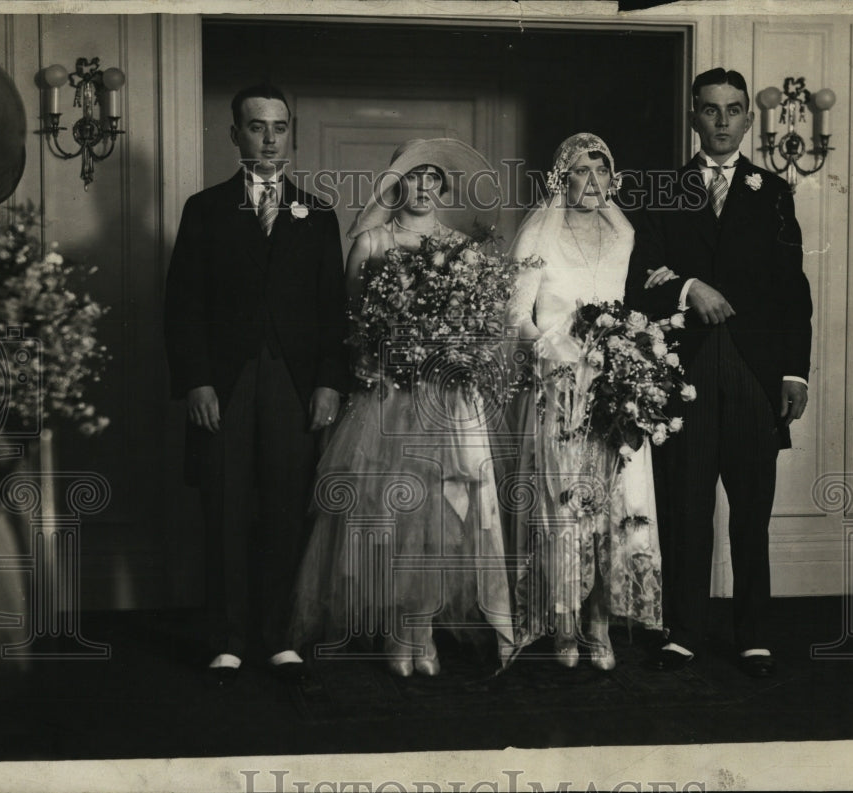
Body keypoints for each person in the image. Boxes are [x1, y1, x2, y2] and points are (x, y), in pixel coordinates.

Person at [289, 138, 515, 677]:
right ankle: (396, 633)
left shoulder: (461, 247)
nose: (424, 187)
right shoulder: (370, 242)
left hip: (443, 401)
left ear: (443, 185)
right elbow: (349, 325)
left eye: (433, 178)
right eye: (414, 177)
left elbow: (482, 325)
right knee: (391, 517)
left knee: (442, 516)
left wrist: (453, 353)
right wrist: (386, 356)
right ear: (397, 183)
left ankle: (423, 631)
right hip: (388, 395)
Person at [626, 68, 812, 677]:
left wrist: (794, 374)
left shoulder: (773, 190)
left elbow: (793, 290)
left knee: (751, 510)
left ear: (748, 119)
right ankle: (683, 631)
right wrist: (687, 288)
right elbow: (638, 283)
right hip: (687, 374)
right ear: (694, 117)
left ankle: (753, 634)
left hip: (756, 376)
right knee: (685, 509)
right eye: (711, 110)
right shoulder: (663, 190)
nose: (724, 120)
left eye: (734, 110)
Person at [163, 83, 350, 687]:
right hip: (225, 382)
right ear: (235, 135)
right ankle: (225, 638)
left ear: (289, 132)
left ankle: (278, 636)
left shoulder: (318, 213)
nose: (269, 139)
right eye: (256, 127)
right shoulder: (204, 209)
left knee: (285, 509)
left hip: (294, 385)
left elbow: (333, 311)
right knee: (223, 505)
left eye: (279, 127)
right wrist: (196, 383)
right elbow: (183, 306)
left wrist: (328, 383)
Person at [505, 133, 671, 670]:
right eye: (582, 170)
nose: (594, 181)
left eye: (603, 170)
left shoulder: (622, 235)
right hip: (561, 393)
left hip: (615, 390)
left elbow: (629, 305)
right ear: (562, 178)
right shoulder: (539, 233)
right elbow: (516, 319)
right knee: (567, 508)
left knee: (616, 505)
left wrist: (631, 350)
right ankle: (563, 624)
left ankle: (601, 619)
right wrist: (560, 349)